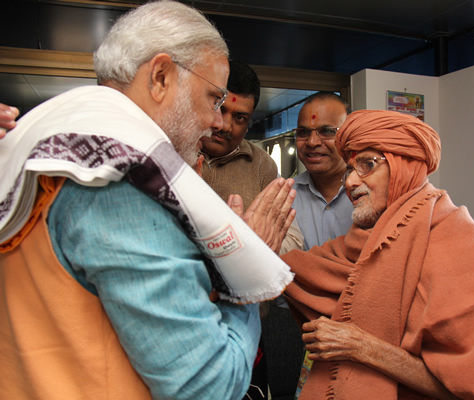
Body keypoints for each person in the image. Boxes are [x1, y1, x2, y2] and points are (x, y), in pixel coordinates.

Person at [0, 2, 296, 400]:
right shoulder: (121, 180)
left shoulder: (53, 142)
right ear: (160, 77)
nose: (218, 121)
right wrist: (246, 275)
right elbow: (210, 386)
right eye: (213, 98)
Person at [282, 110, 474, 399]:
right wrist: (245, 241)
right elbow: (294, 270)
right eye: (350, 170)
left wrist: (363, 347)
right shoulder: (364, 237)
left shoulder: (461, 244)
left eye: (367, 165)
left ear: (403, 166)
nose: (350, 183)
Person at [197, 58, 303, 254]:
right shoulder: (174, 146)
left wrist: (250, 244)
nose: (225, 126)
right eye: (220, 108)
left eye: (239, 118)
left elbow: (294, 241)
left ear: (248, 124)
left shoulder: (262, 166)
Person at [292, 92, 354, 249]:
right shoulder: (286, 197)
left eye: (327, 131)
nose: (312, 142)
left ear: (349, 136)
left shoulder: (373, 194)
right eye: (303, 132)